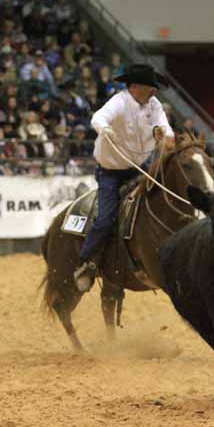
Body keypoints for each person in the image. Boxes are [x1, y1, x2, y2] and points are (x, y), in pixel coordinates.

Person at [74, 64, 175, 292]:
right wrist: (104, 129)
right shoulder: (119, 101)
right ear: (136, 86)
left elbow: (167, 130)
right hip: (111, 171)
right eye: (151, 87)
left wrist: (165, 136)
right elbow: (99, 117)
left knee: (162, 202)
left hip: (140, 167)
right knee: (106, 219)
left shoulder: (153, 105)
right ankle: (86, 261)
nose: (154, 92)